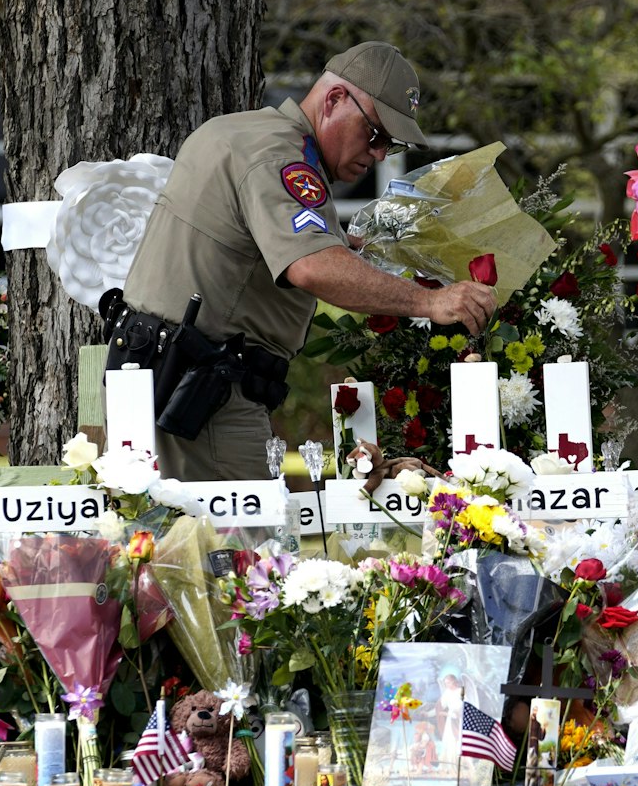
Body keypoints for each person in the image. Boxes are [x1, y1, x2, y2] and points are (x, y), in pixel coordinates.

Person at [110, 42, 497, 481]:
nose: (378, 154)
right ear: (334, 100)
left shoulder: (247, 133)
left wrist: (342, 248)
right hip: (201, 397)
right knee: (239, 547)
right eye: (375, 134)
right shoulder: (281, 157)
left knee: (171, 546)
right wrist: (432, 302)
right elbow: (311, 267)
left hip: (169, 382)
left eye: (390, 144)